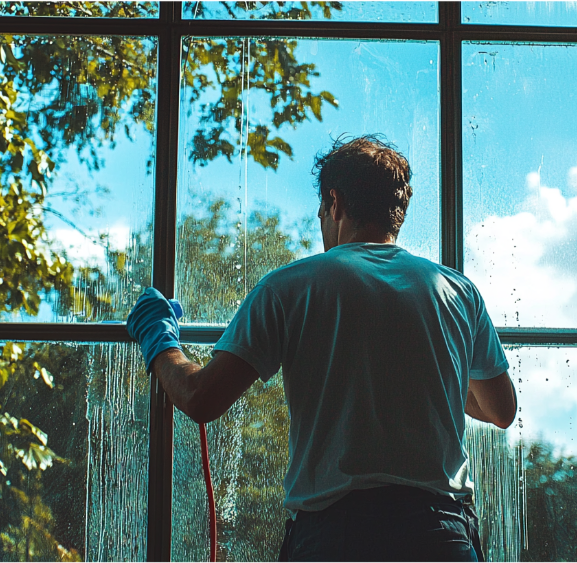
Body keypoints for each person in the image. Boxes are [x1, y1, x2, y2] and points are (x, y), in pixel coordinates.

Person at [127, 135, 517, 562]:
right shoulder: (457, 292)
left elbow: (201, 398)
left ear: (335, 203)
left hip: (337, 538)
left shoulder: (292, 285)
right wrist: (423, 372)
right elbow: (500, 410)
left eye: (319, 212)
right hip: (441, 539)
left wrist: (160, 340)